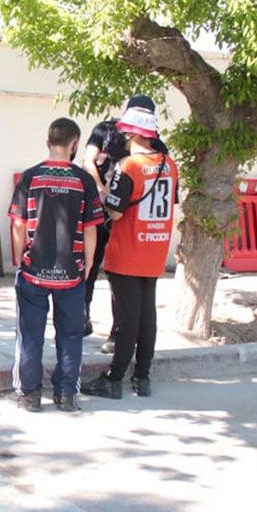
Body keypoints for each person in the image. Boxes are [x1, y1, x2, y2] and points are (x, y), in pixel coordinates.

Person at [83, 106, 179, 400]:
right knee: (146, 316)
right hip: (155, 248)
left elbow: (117, 212)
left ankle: (114, 377)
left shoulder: (129, 165)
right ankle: (142, 376)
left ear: (134, 133)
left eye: (124, 132)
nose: (120, 136)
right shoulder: (169, 163)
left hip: (127, 249)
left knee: (126, 319)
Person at [9, 118, 104, 412]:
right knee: (71, 334)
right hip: (71, 273)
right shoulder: (84, 181)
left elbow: (18, 225)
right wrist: (88, 264)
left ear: (48, 142)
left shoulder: (30, 177)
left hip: (34, 271)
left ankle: (30, 395)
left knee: (30, 334)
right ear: (75, 144)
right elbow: (91, 228)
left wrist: (18, 260)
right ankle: (65, 396)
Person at [82, 94, 164, 351]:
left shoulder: (152, 141)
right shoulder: (105, 129)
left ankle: (118, 333)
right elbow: (88, 160)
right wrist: (101, 188)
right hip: (102, 206)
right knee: (90, 263)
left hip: (128, 215)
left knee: (121, 276)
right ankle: (81, 317)